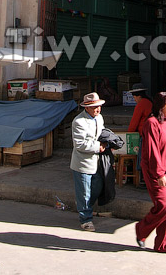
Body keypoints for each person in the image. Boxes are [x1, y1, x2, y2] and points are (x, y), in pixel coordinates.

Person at [135, 91, 166, 254]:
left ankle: (163, 243)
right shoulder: (151, 123)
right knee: (164, 206)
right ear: (160, 106)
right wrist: (159, 174)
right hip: (157, 172)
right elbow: (152, 151)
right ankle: (142, 230)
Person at [70, 91, 107, 231]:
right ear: (86, 107)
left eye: (99, 106)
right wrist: (99, 147)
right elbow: (79, 144)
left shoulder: (99, 118)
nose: (97, 109)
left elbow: (102, 133)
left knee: (97, 187)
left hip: (96, 162)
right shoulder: (78, 121)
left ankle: (85, 208)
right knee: (84, 192)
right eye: (94, 107)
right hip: (82, 163)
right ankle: (86, 219)